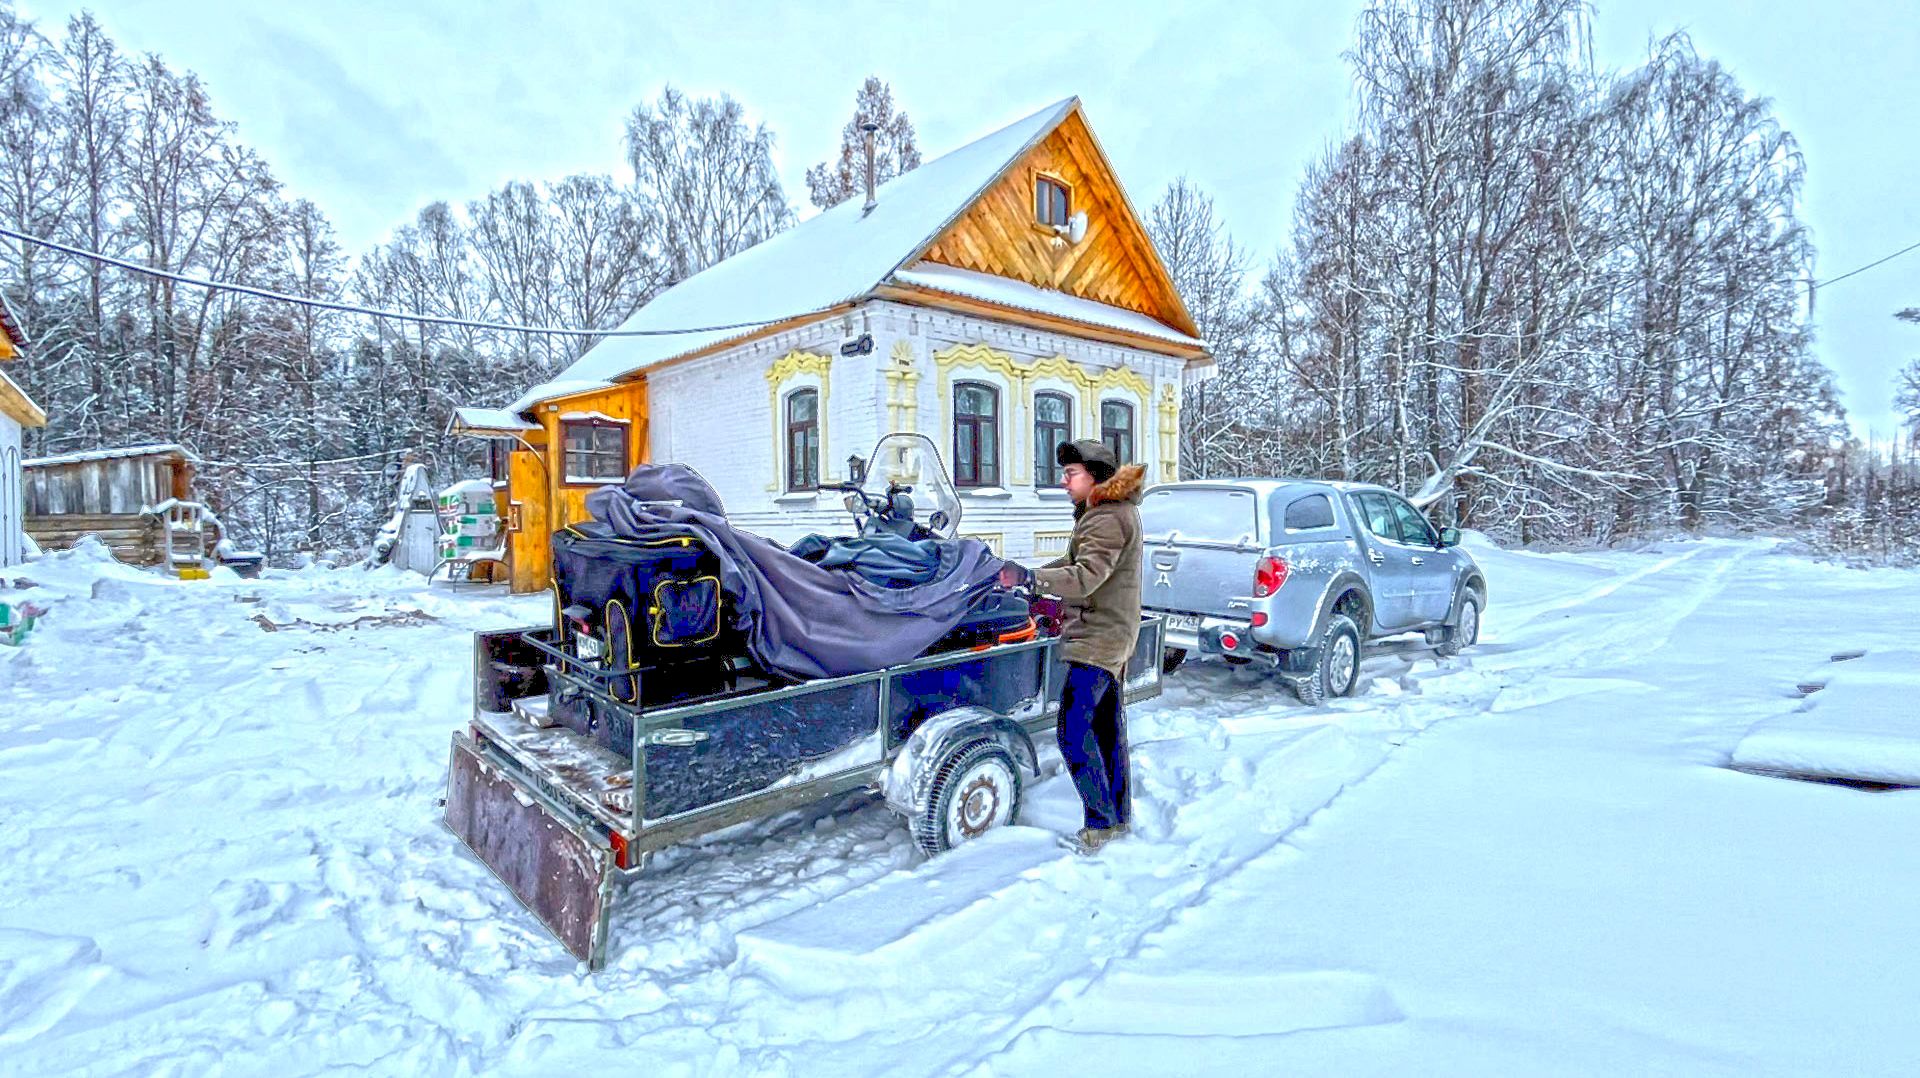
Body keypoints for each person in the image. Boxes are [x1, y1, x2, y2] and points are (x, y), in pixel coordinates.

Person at [999, 440, 1146, 853]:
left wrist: (1032, 580)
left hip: (1099, 637)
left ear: (1095, 477)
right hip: (1110, 631)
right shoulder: (1104, 513)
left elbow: (1084, 577)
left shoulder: (1106, 519)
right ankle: (1117, 817)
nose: (1063, 481)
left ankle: (1100, 824)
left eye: (1071, 474)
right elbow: (1070, 564)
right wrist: (1029, 577)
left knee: (1073, 729)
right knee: (1105, 729)